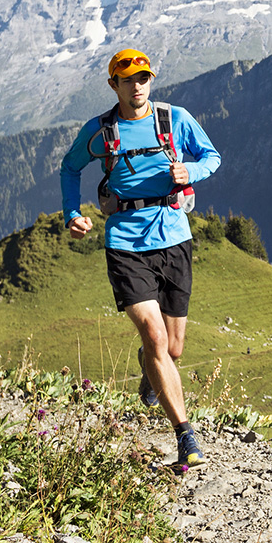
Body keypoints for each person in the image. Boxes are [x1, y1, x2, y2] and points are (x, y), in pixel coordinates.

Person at [60, 48, 221, 470]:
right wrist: (72, 213)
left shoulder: (175, 119)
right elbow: (69, 167)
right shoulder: (100, 132)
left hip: (174, 237)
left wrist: (191, 172)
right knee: (155, 337)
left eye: (143, 78)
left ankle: (149, 368)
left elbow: (212, 158)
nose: (137, 86)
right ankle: (186, 436)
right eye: (128, 80)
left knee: (174, 347)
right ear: (113, 85)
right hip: (125, 243)